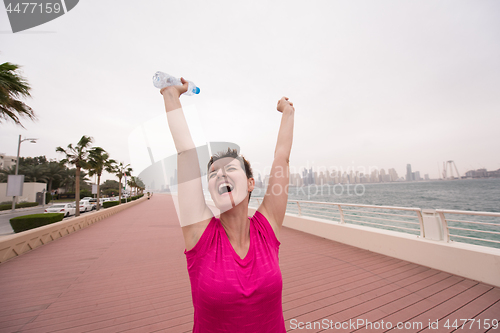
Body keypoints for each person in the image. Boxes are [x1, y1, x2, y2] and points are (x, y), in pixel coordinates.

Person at [161, 78, 294, 332]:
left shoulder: (267, 228)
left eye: (230, 169)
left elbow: (282, 158)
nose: (220, 175)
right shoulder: (199, 234)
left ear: (251, 183)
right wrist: (171, 95)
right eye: (212, 174)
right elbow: (186, 153)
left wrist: (287, 112)